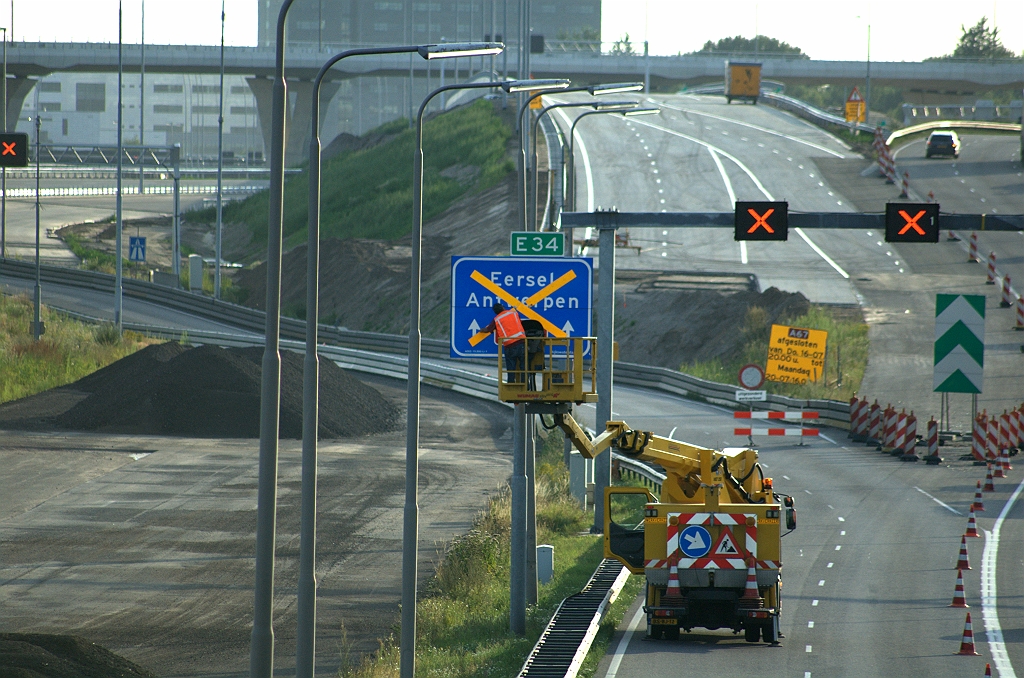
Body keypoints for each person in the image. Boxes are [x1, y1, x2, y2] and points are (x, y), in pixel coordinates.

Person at [483, 302, 526, 382]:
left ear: (495, 312)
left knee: (511, 368)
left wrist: (481, 330)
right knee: (524, 366)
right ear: (503, 307)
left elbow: (488, 329)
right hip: (522, 343)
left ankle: (511, 385)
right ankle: (524, 384)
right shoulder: (514, 313)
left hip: (509, 346)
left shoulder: (497, 319)